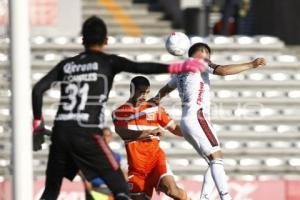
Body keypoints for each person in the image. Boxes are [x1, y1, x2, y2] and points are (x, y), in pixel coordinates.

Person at [31, 16, 206, 200]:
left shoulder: (66, 65)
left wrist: (37, 123)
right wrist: (178, 66)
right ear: (106, 40)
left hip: (61, 132)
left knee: (51, 191)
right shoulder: (107, 62)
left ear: (82, 40)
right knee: (120, 188)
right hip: (88, 133)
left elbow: (37, 90)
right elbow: (140, 66)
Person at [152, 43, 266, 200]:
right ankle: (226, 197)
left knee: (213, 161)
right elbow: (223, 71)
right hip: (198, 117)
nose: (208, 57)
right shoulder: (200, 62)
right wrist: (251, 64)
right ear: (201, 53)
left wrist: (156, 99)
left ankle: (204, 198)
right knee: (216, 158)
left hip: (186, 122)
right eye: (207, 53)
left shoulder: (180, 71)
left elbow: (165, 89)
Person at [112, 76, 189, 200]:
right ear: (132, 90)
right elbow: (123, 133)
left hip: (156, 161)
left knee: (172, 191)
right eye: (141, 92)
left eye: (147, 92)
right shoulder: (119, 112)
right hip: (137, 168)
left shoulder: (154, 109)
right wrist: (149, 132)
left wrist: (191, 129)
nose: (144, 96)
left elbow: (175, 129)